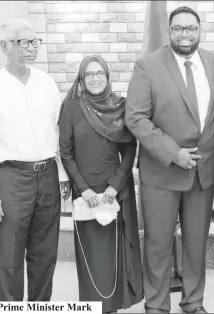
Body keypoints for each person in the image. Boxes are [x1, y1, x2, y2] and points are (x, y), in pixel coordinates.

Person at [125, 6, 214, 314]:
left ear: (199, 31)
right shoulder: (148, 65)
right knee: (158, 244)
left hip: (202, 173)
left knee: (196, 244)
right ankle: (156, 305)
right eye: (179, 29)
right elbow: (136, 117)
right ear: (169, 32)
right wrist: (173, 153)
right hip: (161, 172)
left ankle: (193, 301)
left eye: (191, 28)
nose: (186, 34)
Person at [0, 18, 71, 301]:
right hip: (10, 177)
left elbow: (56, 131)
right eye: (23, 42)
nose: (31, 48)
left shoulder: (46, 83)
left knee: (45, 255)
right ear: (4, 46)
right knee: (10, 257)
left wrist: (62, 173)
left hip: (48, 175)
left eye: (35, 42)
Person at [59, 55, 143, 313]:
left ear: (107, 77)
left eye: (100, 74)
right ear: (82, 79)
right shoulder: (72, 107)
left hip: (112, 194)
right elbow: (66, 151)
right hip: (85, 193)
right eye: (89, 74)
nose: (95, 78)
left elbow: (130, 150)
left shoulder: (120, 106)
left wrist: (114, 188)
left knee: (113, 254)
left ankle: (113, 306)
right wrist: (83, 190)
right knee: (91, 256)